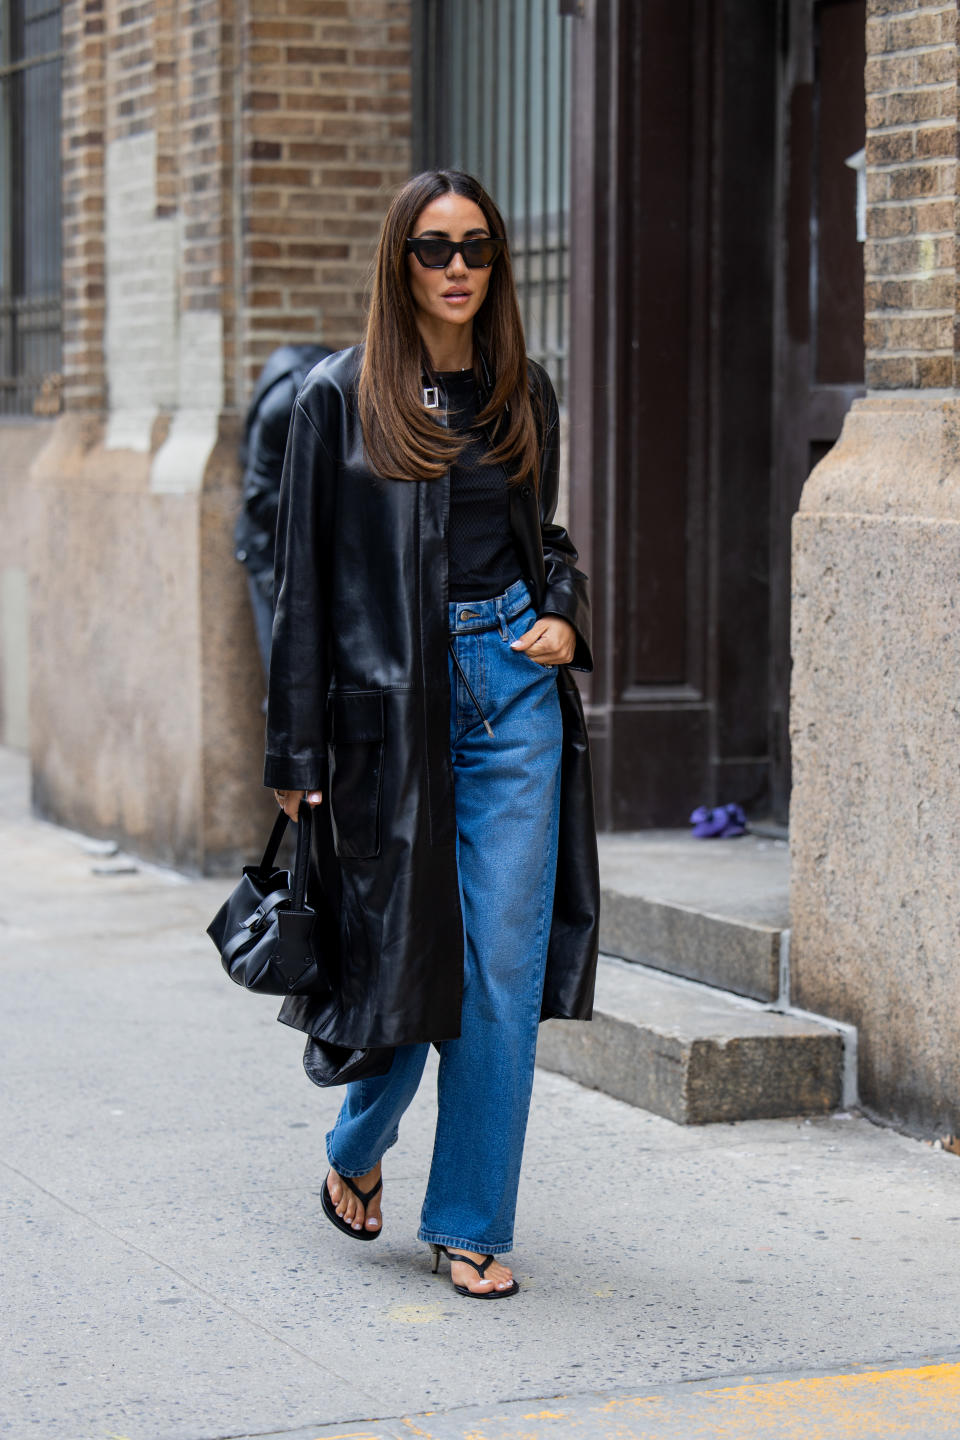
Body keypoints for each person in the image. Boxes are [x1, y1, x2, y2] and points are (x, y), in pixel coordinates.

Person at [264, 170, 599, 1299]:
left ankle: (468, 1221)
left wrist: (561, 612)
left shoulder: (522, 393)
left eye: (478, 248)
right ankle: (355, 1148)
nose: (458, 267)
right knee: (409, 960)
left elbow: (541, 536)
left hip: (510, 686)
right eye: (433, 247)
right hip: (387, 712)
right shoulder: (336, 401)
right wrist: (294, 759)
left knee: (497, 968)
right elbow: (304, 588)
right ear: (398, 261)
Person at [234, 342, 332, 678]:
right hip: (270, 553)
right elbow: (257, 496)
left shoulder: (349, 394)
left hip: (324, 554)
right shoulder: (281, 407)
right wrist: (319, 511)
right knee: (286, 675)